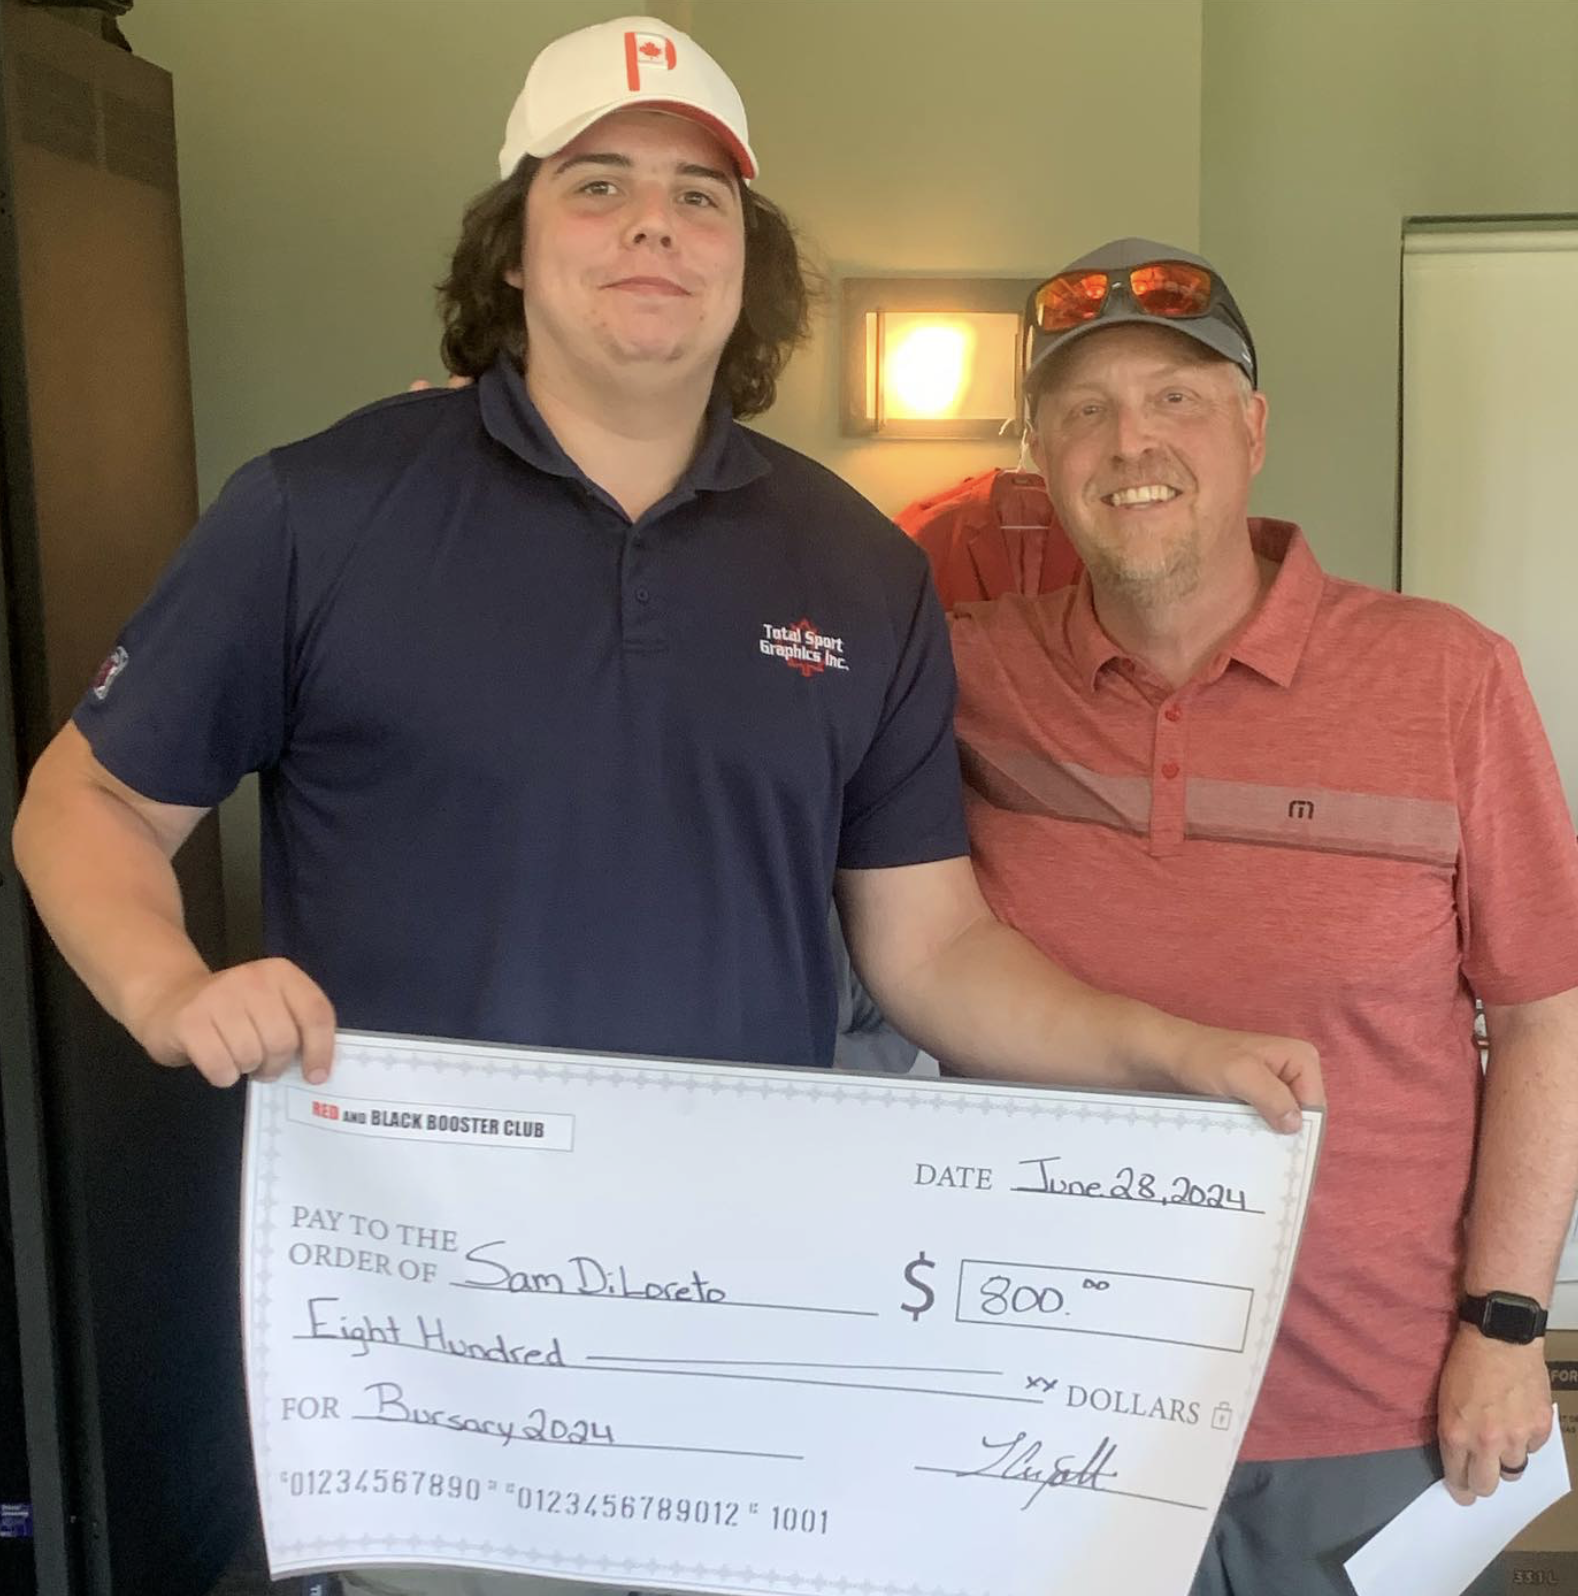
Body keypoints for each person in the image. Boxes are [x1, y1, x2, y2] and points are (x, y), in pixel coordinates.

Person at [11, 16, 1324, 1592]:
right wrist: (170, 990)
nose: (654, 226)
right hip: (434, 1352)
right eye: (599, 185)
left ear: (745, 263)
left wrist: (1165, 1051)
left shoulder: (857, 570)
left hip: (745, 1345)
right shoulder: (319, 511)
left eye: (700, 198)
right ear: (512, 246)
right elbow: (84, 802)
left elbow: (931, 951)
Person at [948, 235, 1578, 1595]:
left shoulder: (1448, 676)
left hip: (1374, 1413)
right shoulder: (964, 680)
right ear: (1040, 456)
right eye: (1084, 408)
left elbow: (1544, 1020)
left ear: (1252, 430)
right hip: (1052, 1405)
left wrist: (1507, 1322)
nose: (1132, 442)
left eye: (1176, 397)